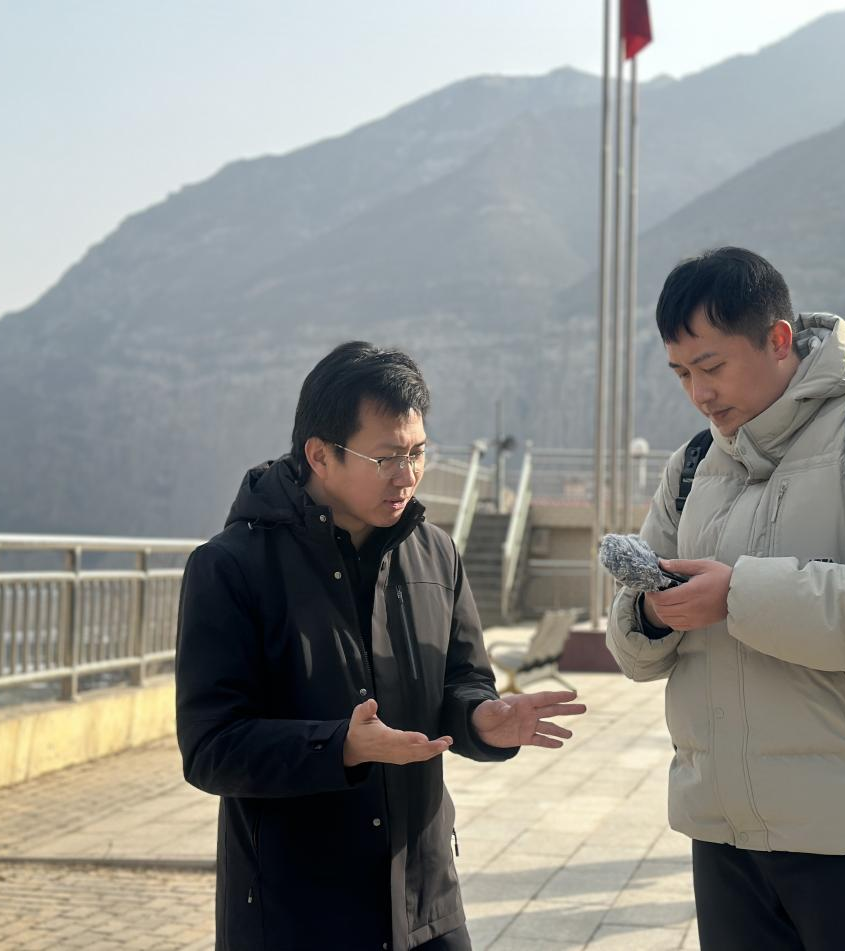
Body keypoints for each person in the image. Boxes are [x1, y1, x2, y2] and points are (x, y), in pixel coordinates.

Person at [605, 248, 845, 949]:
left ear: (778, 339)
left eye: (712, 365)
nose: (698, 391)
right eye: (681, 373)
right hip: (724, 833)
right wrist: (651, 614)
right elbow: (631, 645)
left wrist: (740, 593)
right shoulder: (694, 463)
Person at [175, 342, 586, 951]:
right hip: (297, 914)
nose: (408, 475)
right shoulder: (230, 569)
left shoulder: (436, 554)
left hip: (425, 903)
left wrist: (483, 719)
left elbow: (462, 682)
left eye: (418, 453)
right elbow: (210, 747)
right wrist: (339, 746)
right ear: (320, 455)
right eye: (387, 457)